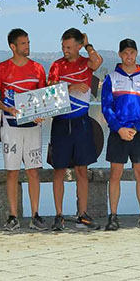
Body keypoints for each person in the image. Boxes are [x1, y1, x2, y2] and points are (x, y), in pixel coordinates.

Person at [0, 28, 48, 231]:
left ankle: (36, 215)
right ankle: (13, 216)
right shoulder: (2, 68)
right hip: (11, 126)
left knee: (33, 171)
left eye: (28, 43)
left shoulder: (38, 68)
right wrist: (8, 108)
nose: (27, 46)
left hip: (32, 126)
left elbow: (44, 98)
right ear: (13, 46)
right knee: (12, 171)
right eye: (23, 43)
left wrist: (42, 112)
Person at [47, 28, 103, 230]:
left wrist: (89, 45)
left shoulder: (85, 63)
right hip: (61, 122)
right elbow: (50, 88)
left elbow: (97, 62)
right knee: (59, 170)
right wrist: (71, 87)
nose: (65, 50)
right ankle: (59, 215)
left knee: (81, 169)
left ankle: (83, 214)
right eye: (63, 46)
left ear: (79, 46)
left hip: (81, 122)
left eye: (69, 47)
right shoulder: (57, 65)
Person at [101, 38, 140, 231]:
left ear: (137, 53)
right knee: (115, 173)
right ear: (120, 55)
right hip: (118, 133)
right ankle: (113, 215)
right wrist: (119, 128)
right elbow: (106, 108)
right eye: (125, 53)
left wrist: (136, 128)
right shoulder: (111, 79)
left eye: (132, 52)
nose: (129, 56)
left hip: (139, 133)